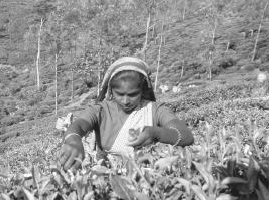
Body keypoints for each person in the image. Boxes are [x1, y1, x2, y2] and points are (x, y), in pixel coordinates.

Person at [59, 57, 194, 171]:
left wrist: (156, 133)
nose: (126, 101)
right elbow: (79, 126)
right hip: (106, 178)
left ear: (142, 90)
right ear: (111, 91)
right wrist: (73, 139)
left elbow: (186, 136)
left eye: (133, 94)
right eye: (120, 94)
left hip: (146, 178)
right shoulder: (100, 110)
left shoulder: (155, 109)